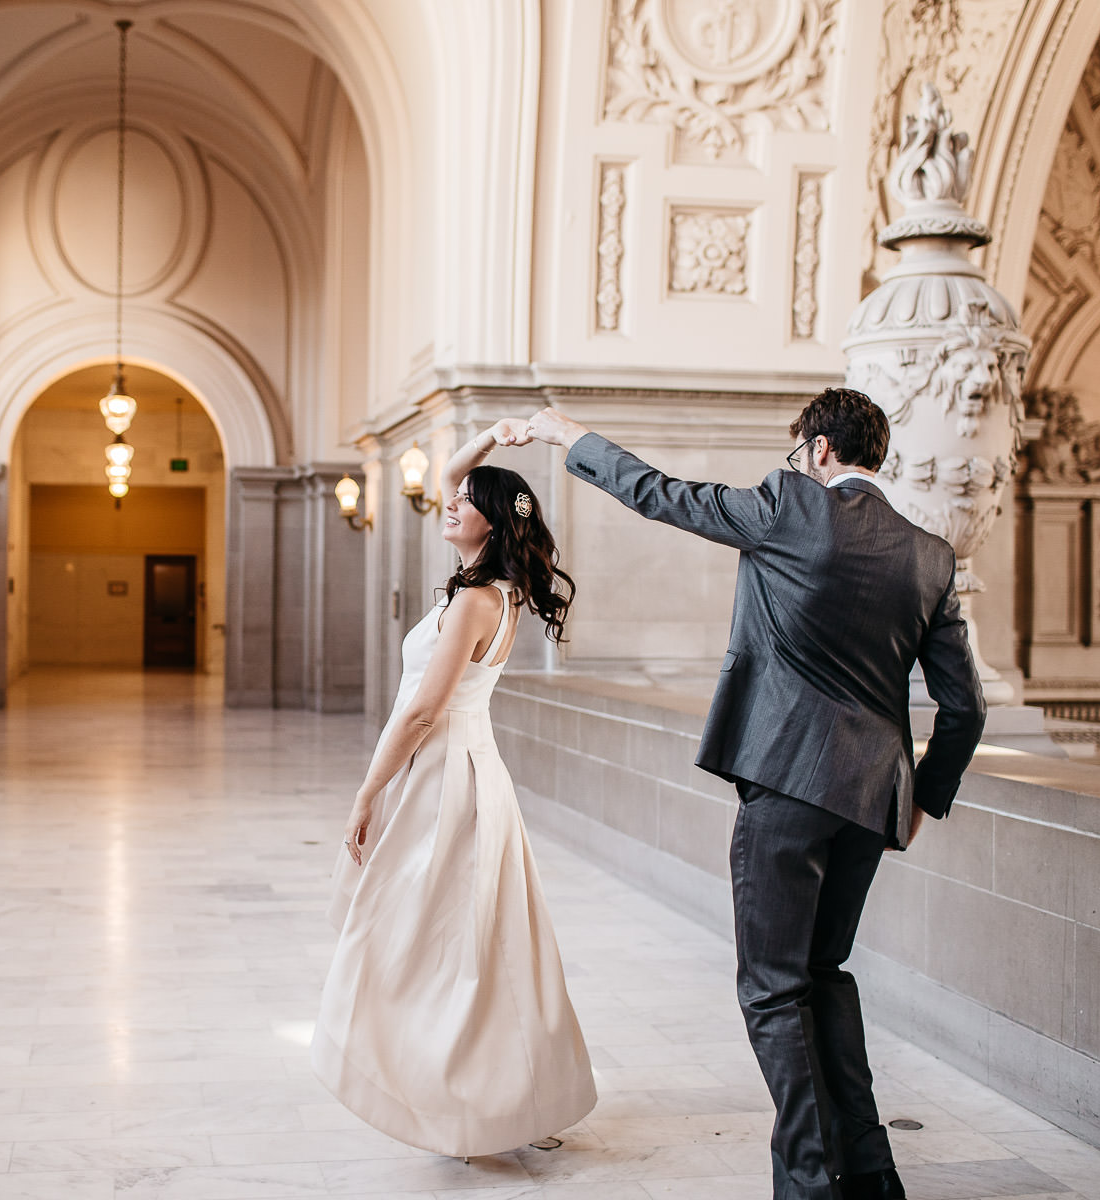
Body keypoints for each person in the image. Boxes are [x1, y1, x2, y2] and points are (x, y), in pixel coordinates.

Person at [525, 390, 985, 1200]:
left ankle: (808, 1183)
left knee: (772, 988)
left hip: (786, 781)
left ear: (817, 450)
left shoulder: (787, 506)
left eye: (798, 452)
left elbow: (661, 495)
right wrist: (921, 800)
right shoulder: (930, 555)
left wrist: (571, 436)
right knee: (825, 973)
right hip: (871, 799)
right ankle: (871, 1174)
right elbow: (967, 707)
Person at [312, 419, 597, 1159]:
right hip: (464, 767)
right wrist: (490, 438)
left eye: (467, 501)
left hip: (445, 773)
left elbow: (422, 712)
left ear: (491, 523)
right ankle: (494, 1093)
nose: (450, 502)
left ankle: (464, 1095)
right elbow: (448, 479)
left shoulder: (475, 602)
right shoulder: (491, 589)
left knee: (430, 935)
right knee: (474, 935)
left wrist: (366, 793)